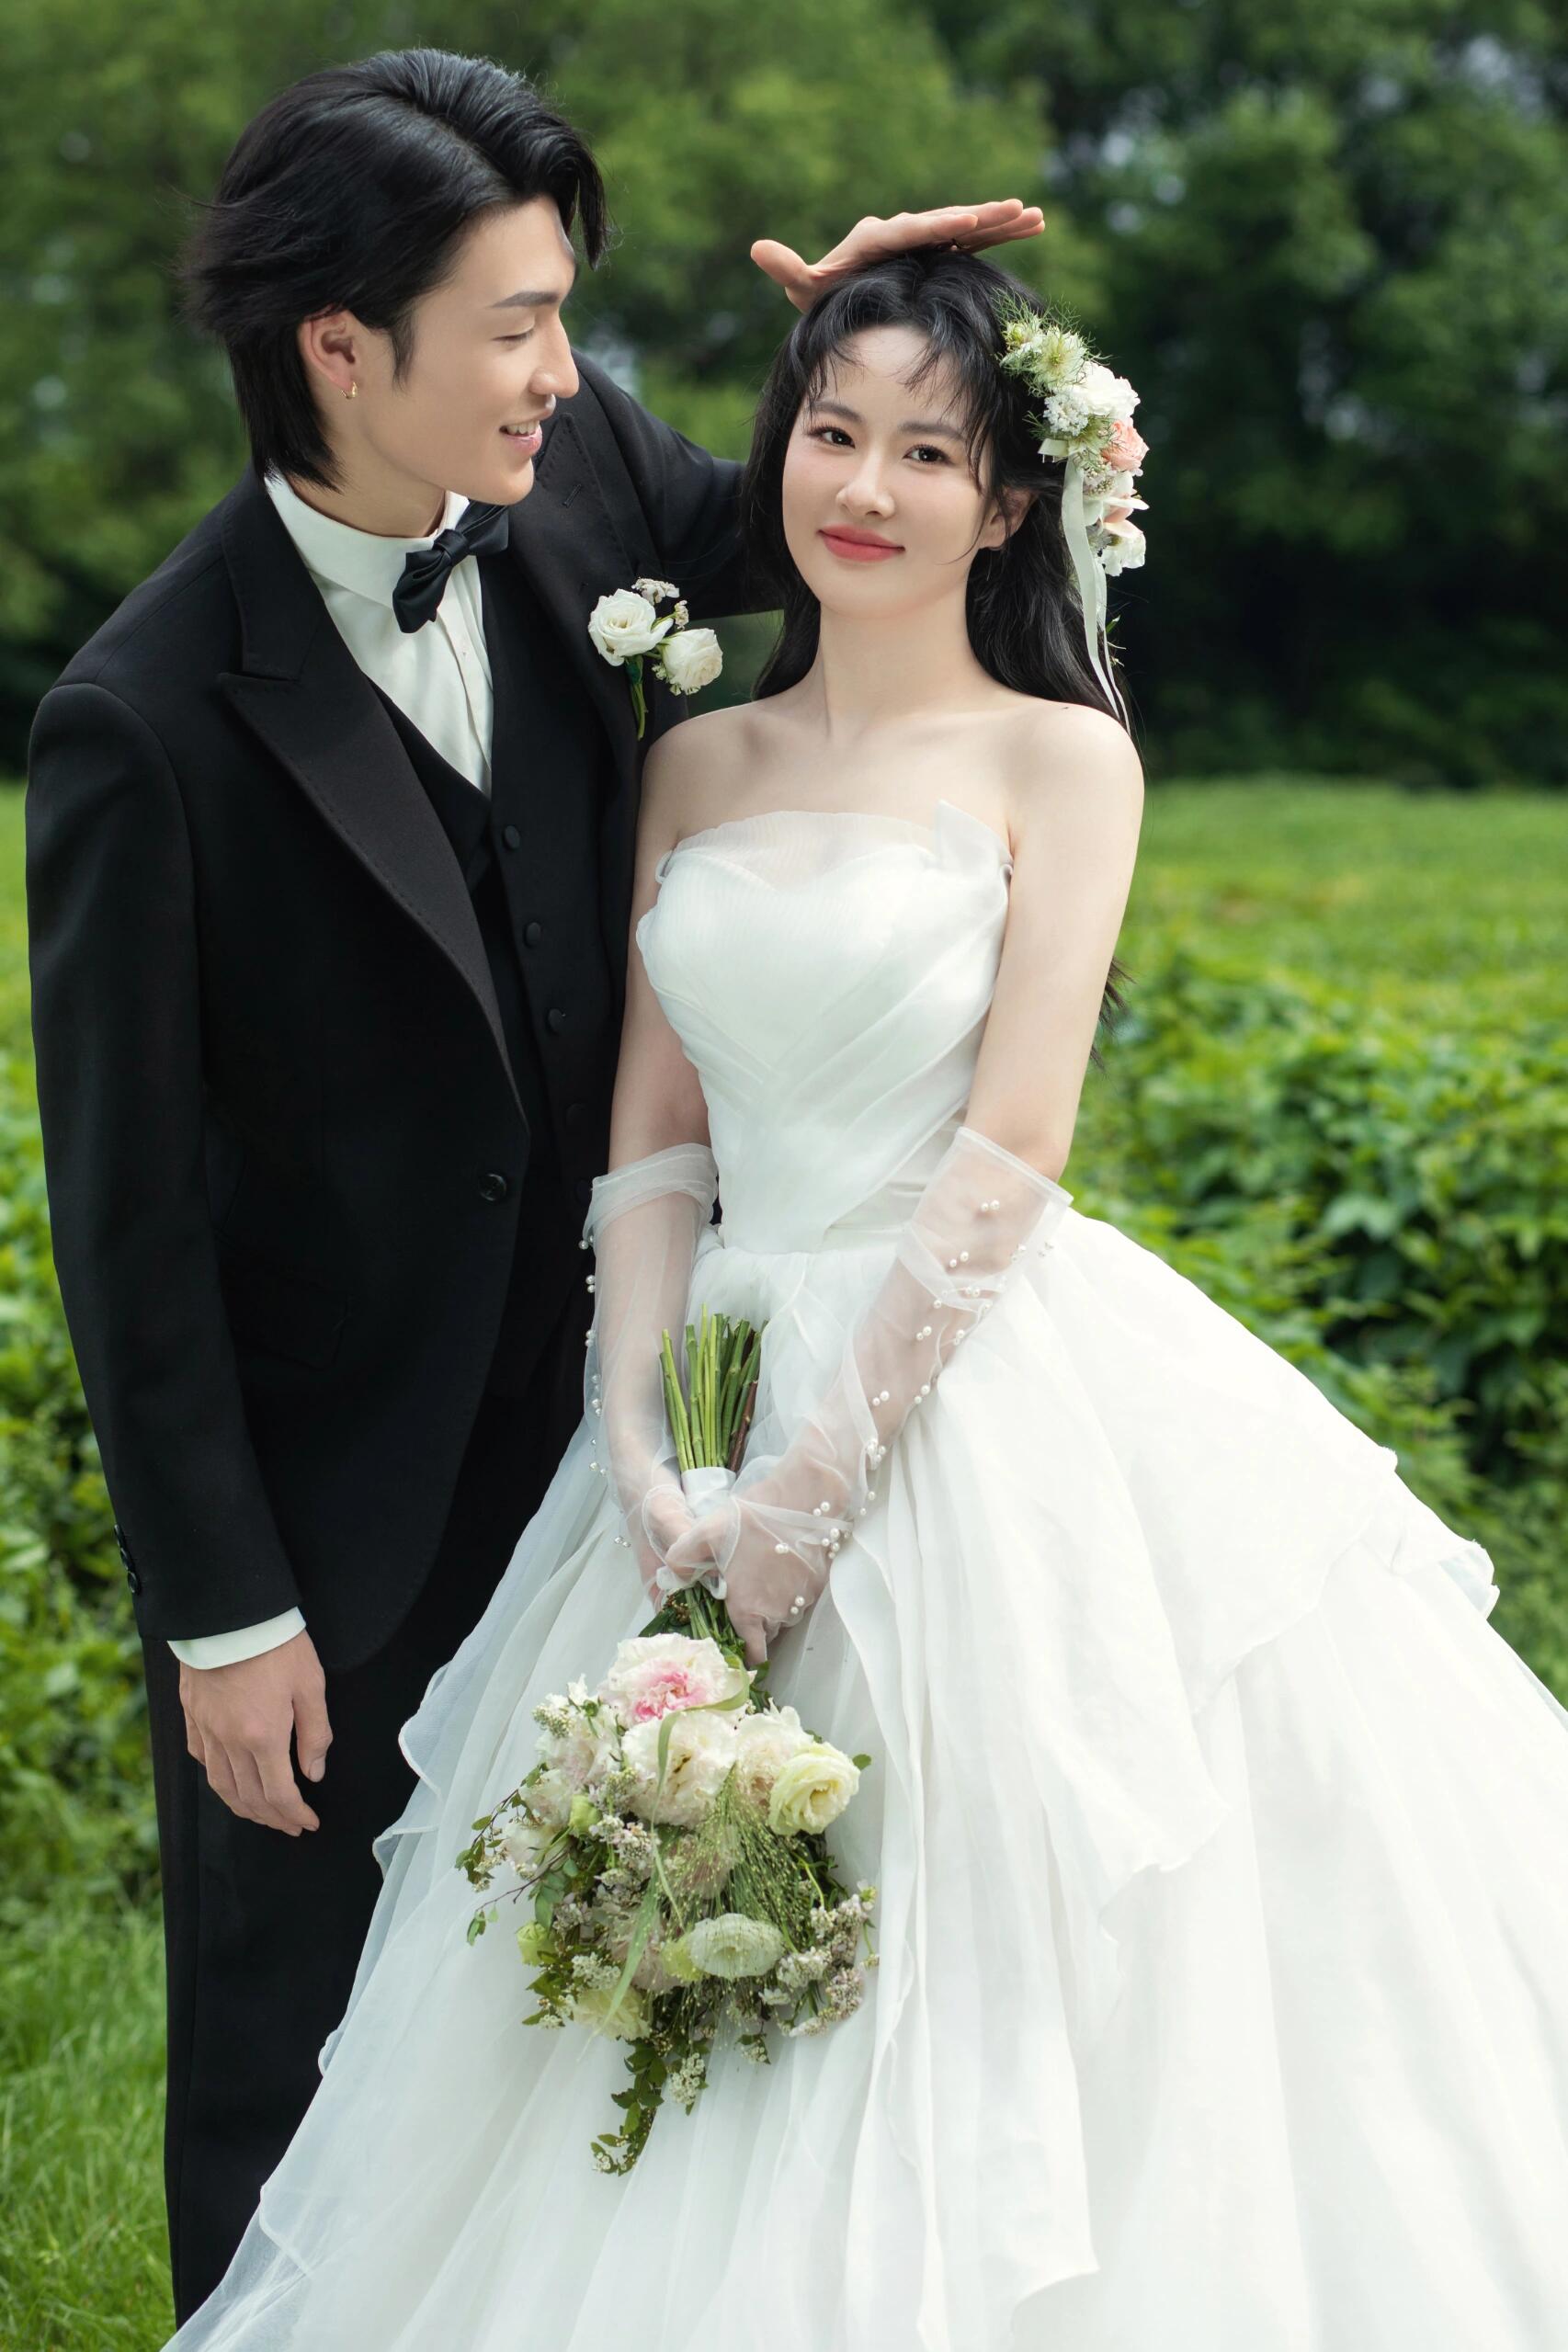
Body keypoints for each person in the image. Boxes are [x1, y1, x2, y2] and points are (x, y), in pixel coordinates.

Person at [153, 241, 1568, 2349]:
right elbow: (655, 1139)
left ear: (1010, 504)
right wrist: (651, 1452)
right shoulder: (698, 760)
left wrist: (814, 1487)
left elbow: (1013, 1144)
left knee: (991, 1915)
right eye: (833, 433)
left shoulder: (1061, 759)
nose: (866, 487)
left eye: (929, 452)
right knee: (639, 1939)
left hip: (972, 1378)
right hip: (711, 1381)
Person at [22, 44, 1047, 2328]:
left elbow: (851, 512)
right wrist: (224, 1615)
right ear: (338, 344)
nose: (563, 372)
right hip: (348, 1500)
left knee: (619, 2011)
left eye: (562, 313)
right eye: (513, 323)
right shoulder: (143, 721)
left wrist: (869, 339)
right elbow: (129, 1223)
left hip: (649, 1416)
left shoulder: (572, 474)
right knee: (301, 2042)